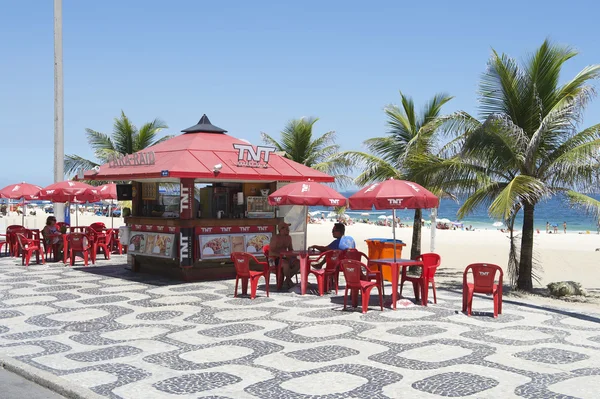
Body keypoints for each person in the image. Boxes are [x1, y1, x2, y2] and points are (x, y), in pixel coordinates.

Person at [268, 221, 300, 288]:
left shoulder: (289, 238)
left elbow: (291, 249)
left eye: (288, 229)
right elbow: (271, 252)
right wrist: (283, 255)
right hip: (274, 259)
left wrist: (294, 255)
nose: (288, 230)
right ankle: (288, 281)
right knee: (285, 264)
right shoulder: (275, 238)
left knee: (298, 263)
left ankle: (287, 279)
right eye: (286, 229)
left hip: (285, 257)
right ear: (281, 229)